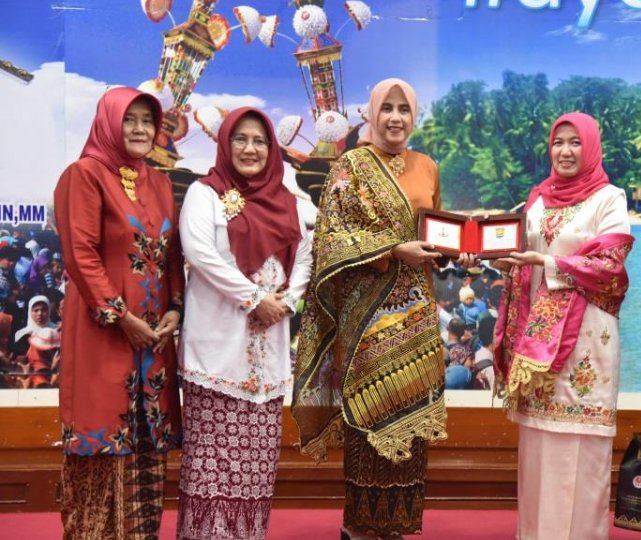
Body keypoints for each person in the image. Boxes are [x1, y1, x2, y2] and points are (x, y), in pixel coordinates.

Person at [293, 78, 473, 540]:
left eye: (404, 109)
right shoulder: (350, 166)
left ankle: (395, 526)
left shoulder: (427, 166)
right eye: (387, 108)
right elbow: (332, 239)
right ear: (372, 114)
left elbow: (435, 234)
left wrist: (457, 252)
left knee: (409, 422)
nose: (395, 118)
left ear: (414, 116)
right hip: (367, 321)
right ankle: (359, 527)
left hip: (417, 317)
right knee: (372, 414)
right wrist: (393, 250)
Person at [493, 112, 634, 540]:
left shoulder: (609, 198)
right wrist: (499, 259)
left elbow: (611, 265)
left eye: (575, 143)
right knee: (538, 448)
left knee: (581, 449)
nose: (566, 151)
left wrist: (547, 262)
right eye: (558, 142)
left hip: (587, 340)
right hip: (537, 344)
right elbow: (520, 254)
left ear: (590, 147)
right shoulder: (538, 198)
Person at [175, 108, 313, 540]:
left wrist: (287, 302)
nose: (250, 149)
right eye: (240, 139)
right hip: (216, 355)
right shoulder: (205, 194)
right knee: (210, 471)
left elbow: (306, 255)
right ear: (225, 144)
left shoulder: (290, 201)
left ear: (271, 148)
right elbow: (200, 253)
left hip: (268, 359)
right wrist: (254, 299)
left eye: (259, 141)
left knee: (256, 473)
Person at [54, 86, 184, 538]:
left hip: (154, 345)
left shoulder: (160, 182)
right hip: (103, 337)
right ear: (109, 122)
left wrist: (175, 309)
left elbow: (172, 256)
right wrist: (121, 317)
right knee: (101, 445)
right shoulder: (84, 175)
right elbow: (81, 254)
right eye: (130, 119)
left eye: (148, 121)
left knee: (147, 454)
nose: (140, 129)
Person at [14, 295, 61, 388]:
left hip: (56, 376)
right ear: (30, 312)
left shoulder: (57, 331)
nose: (40, 313)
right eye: (35, 310)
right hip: (31, 380)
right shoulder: (22, 334)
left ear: (49, 311)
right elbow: (21, 363)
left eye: (44, 310)